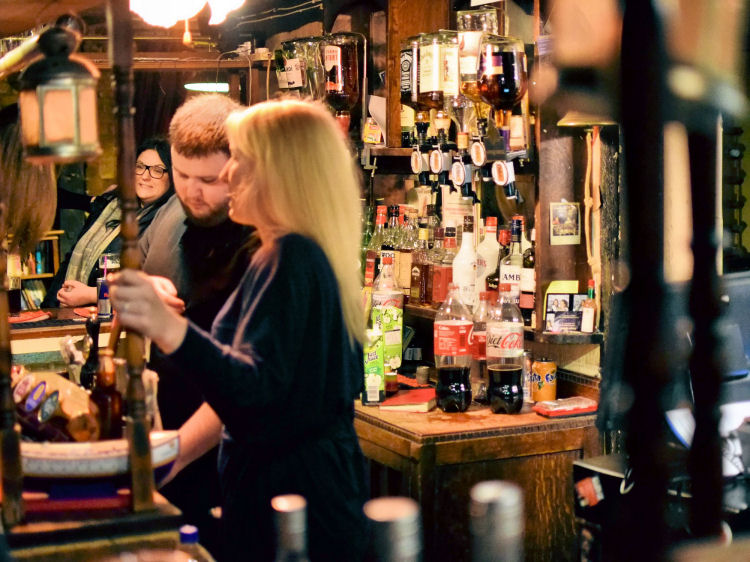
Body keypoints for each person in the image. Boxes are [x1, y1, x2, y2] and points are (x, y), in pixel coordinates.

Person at [110, 98, 369, 561]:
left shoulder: (289, 256)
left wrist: (169, 328)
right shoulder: (292, 251)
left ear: (281, 176)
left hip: (294, 507)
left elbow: (255, 390)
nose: (228, 176)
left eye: (241, 162)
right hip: (290, 495)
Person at [137, 93, 259, 560]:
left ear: (241, 167)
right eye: (181, 174)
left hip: (220, 460)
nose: (192, 191)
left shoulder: (258, 244)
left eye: (209, 180)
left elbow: (246, 385)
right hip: (167, 443)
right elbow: (135, 272)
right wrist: (146, 286)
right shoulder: (173, 212)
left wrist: (177, 454)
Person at [41, 137, 174, 308]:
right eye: (140, 167)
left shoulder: (165, 222)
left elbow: (151, 289)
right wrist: (49, 307)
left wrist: (91, 294)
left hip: (116, 319)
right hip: (68, 312)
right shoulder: (110, 205)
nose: (145, 176)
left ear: (172, 176)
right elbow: (71, 258)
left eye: (157, 170)